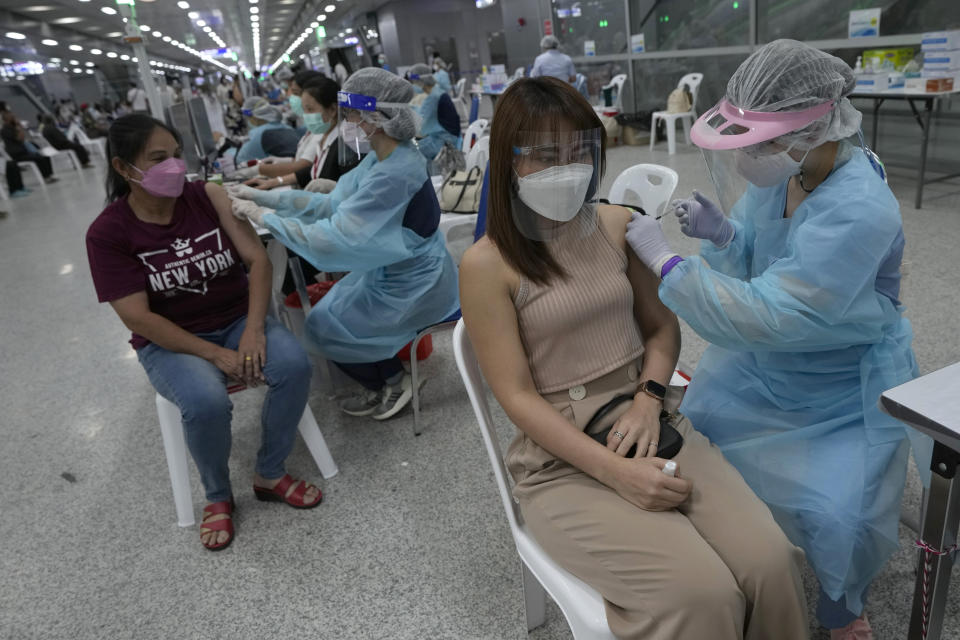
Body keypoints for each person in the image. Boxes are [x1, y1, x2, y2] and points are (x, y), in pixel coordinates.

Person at [459, 76, 808, 640]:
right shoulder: (486, 265)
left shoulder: (618, 224)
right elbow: (516, 396)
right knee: (703, 595)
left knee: (772, 563)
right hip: (562, 457)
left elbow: (660, 328)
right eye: (546, 156)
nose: (566, 169)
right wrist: (616, 472)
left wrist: (649, 399)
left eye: (580, 152)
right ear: (508, 162)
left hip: (652, 419)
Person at [625, 40, 930, 640]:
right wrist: (723, 236)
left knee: (841, 514)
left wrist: (670, 269)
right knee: (701, 443)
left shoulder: (860, 207)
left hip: (841, 386)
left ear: (814, 128)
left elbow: (777, 309)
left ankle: (843, 610)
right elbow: (768, 260)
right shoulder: (790, 167)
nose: (752, 159)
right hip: (767, 367)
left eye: (762, 142)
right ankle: (735, 554)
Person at [85, 114, 323, 552]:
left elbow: (258, 261)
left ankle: (269, 472)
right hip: (170, 341)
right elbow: (138, 317)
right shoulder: (108, 234)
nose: (174, 167)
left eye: (176, 155)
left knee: (292, 365)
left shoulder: (207, 196)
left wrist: (253, 331)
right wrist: (213, 356)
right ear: (123, 168)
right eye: (158, 159)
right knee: (205, 401)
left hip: (236, 320)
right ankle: (218, 494)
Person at [228, 68, 459, 421]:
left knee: (325, 328)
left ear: (374, 117)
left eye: (350, 113)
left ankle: (396, 382)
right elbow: (333, 205)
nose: (347, 122)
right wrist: (272, 202)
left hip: (415, 283)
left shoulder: (395, 170)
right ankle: (386, 379)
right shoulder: (384, 158)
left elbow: (335, 236)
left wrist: (264, 217)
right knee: (326, 318)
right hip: (393, 273)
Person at [245, 76, 359, 193]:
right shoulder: (325, 137)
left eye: (310, 109)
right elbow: (312, 171)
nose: (306, 115)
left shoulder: (346, 147)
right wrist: (275, 181)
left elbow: (347, 194)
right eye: (304, 110)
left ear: (333, 110)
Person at [407, 63, 461, 167]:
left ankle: (427, 181)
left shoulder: (433, 97)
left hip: (445, 141)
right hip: (447, 137)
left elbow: (420, 126)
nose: (413, 84)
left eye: (413, 81)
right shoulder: (437, 92)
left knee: (411, 155)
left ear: (421, 81)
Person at [233, 98, 294, 164]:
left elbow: (240, 160)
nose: (248, 120)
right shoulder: (287, 127)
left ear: (255, 117)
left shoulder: (259, 134)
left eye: (248, 118)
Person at [1, 111, 57, 184]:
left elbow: (22, 138)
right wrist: (18, 126)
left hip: (23, 152)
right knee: (39, 158)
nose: (14, 118)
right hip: (16, 154)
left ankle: (49, 175)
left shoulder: (12, 128)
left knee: (45, 156)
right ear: (7, 118)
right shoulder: (5, 130)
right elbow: (20, 138)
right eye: (12, 117)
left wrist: (18, 127)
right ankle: (46, 177)